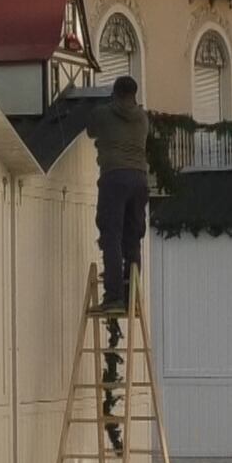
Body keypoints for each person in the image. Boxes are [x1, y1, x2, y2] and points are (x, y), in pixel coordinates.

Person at [86, 75, 151, 317]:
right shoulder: (143, 119)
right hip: (140, 180)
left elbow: (91, 129)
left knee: (111, 235)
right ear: (134, 94)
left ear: (115, 92)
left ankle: (113, 297)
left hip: (114, 177)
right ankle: (131, 297)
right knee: (132, 239)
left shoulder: (104, 114)